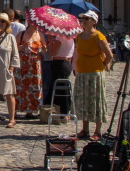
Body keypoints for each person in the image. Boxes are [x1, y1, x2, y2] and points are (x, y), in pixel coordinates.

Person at [71, 11, 113, 140]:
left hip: (95, 73)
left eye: (87, 18)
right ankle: (85, 129)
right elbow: (77, 52)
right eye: (83, 18)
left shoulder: (98, 36)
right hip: (82, 73)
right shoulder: (79, 36)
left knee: (96, 101)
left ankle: (97, 131)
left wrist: (103, 65)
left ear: (94, 22)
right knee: (83, 100)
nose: (84, 21)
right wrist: (75, 67)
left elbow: (109, 54)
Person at [14, 22, 45, 120]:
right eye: (35, 24)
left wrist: (44, 48)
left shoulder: (40, 34)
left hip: (35, 66)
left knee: (34, 87)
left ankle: (31, 111)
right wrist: (23, 46)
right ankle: (14, 110)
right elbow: (14, 48)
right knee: (20, 86)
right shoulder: (22, 34)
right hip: (23, 64)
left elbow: (44, 50)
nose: (36, 26)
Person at [46, 31, 75, 117]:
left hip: (59, 63)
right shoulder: (70, 38)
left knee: (59, 89)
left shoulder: (60, 38)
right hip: (66, 63)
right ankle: (62, 111)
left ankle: (62, 111)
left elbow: (52, 52)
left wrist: (51, 40)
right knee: (63, 87)